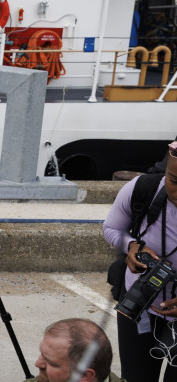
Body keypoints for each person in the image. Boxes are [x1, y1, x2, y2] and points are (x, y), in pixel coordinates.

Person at [103, 142, 177, 381]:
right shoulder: (142, 189)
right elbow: (112, 228)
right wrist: (131, 246)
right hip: (138, 306)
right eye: (174, 181)